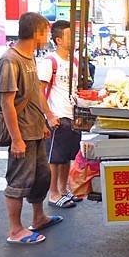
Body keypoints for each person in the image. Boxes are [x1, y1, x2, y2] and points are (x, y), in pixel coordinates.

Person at [0, 12, 62, 245]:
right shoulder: (10, 60)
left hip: (35, 129)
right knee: (19, 181)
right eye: (45, 31)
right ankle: (15, 230)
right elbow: (7, 104)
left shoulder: (30, 57)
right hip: (21, 133)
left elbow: (34, 95)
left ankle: (39, 217)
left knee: (41, 177)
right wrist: (16, 139)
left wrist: (45, 119)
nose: (47, 36)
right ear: (36, 33)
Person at [37, 20, 83, 208]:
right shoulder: (50, 62)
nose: (73, 38)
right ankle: (53, 194)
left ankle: (64, 190)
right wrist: (49, 115)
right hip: (57, 116)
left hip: (72, 115)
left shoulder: (74, 61)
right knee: (55, 158)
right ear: (58, 40)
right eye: (69, 35)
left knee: (66, 157)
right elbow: (39, 91)